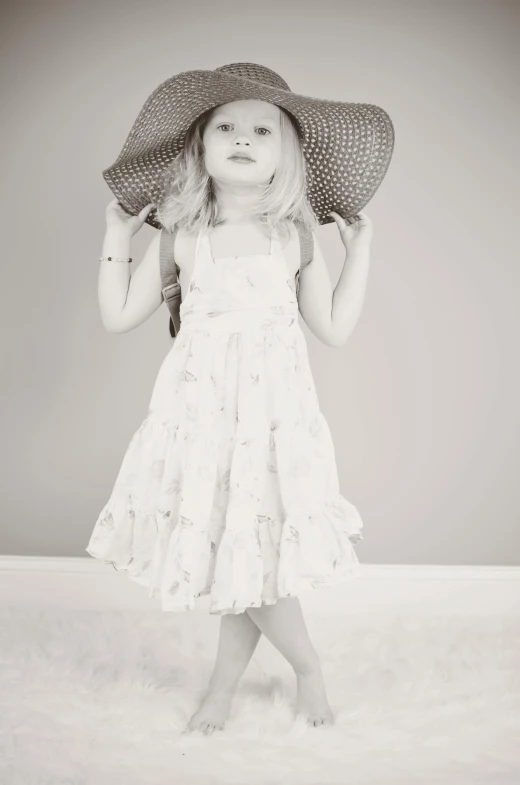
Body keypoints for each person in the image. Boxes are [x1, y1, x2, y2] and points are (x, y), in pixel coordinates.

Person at [86, 63, 392, 736]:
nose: (243, 137)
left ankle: (285, 672)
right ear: (201, 146)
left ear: (286, 154)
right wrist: (117, 238)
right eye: (226, 126)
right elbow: (117, 315)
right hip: (201, 422)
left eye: (262, 129)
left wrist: (360, 249)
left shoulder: (295, 237)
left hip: (274, 424)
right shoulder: (181, 234)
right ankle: (256, 679)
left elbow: (335, 329)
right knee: (238, 556)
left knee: (249, 554)